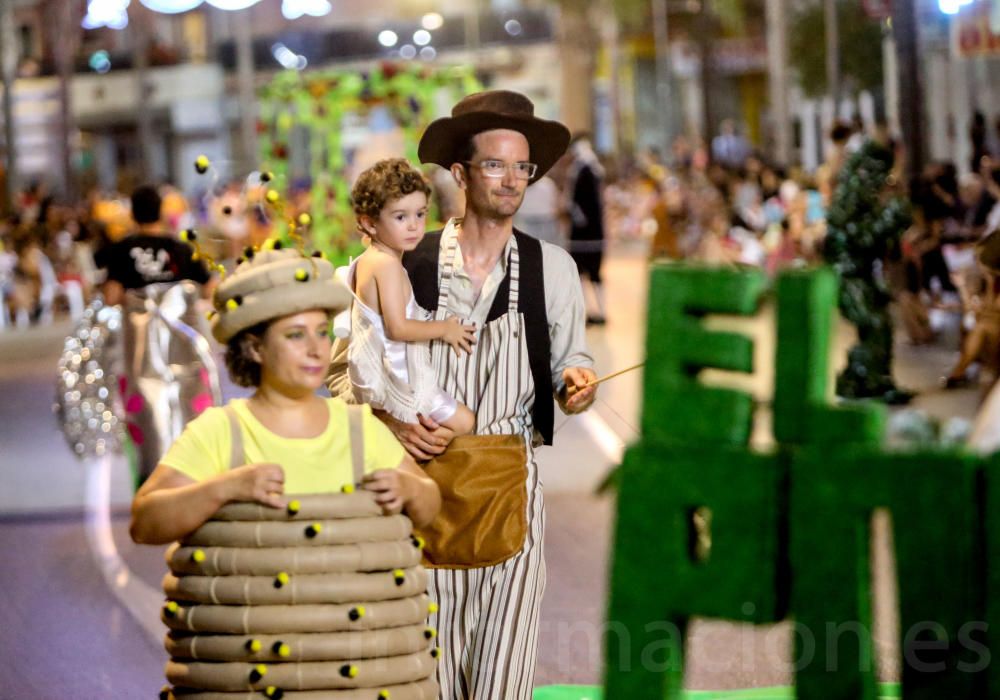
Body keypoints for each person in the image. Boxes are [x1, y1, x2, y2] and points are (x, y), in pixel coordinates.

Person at [328, 89, 597, 699]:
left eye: (522, 167)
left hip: (510, 493)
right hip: (418, 492)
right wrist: (389, 422)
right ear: (460, 173)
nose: (511, 180)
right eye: (495, 164)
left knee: (505, 683)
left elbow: (571, 362)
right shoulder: (401, 260)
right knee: (427, 682)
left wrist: (575, 386)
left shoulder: (552, 267)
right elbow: (342, 374)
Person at [130, 245, 441, 544]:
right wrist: (223, 488)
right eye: (295, 335)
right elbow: (145, 522)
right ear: (255, 348)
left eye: (321, 332)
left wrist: (409, 489)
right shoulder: (220, 431)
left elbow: (429, 505)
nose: (315, 348)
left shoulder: (358, 428)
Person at [94, 184, 217, 484]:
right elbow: (210, 286)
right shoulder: (181, 249)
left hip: (143, 354)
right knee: (189, 409)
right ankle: (194, 475)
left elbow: (110, 297)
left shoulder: (121, 250)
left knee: (148, 414)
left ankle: (154, 480)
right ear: (161, 212)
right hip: (183, 350)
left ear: (133, 214)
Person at [346, 157, 476, 435]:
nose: (414, 225)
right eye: (400, 217)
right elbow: (398, 328)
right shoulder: (386, 265)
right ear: (369, 223)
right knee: (466, 422)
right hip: (399, 383)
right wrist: (446, 329)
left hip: (383, 378)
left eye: (420, 214)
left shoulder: (371, 260)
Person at [565, 133, 608, 324]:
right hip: (595, 233)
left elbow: (572, 202)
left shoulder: (581, 170)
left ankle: (590, 312)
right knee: (593, 275)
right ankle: (597, 311)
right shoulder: (595, 170)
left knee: (583, 275)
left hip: (582, 234)